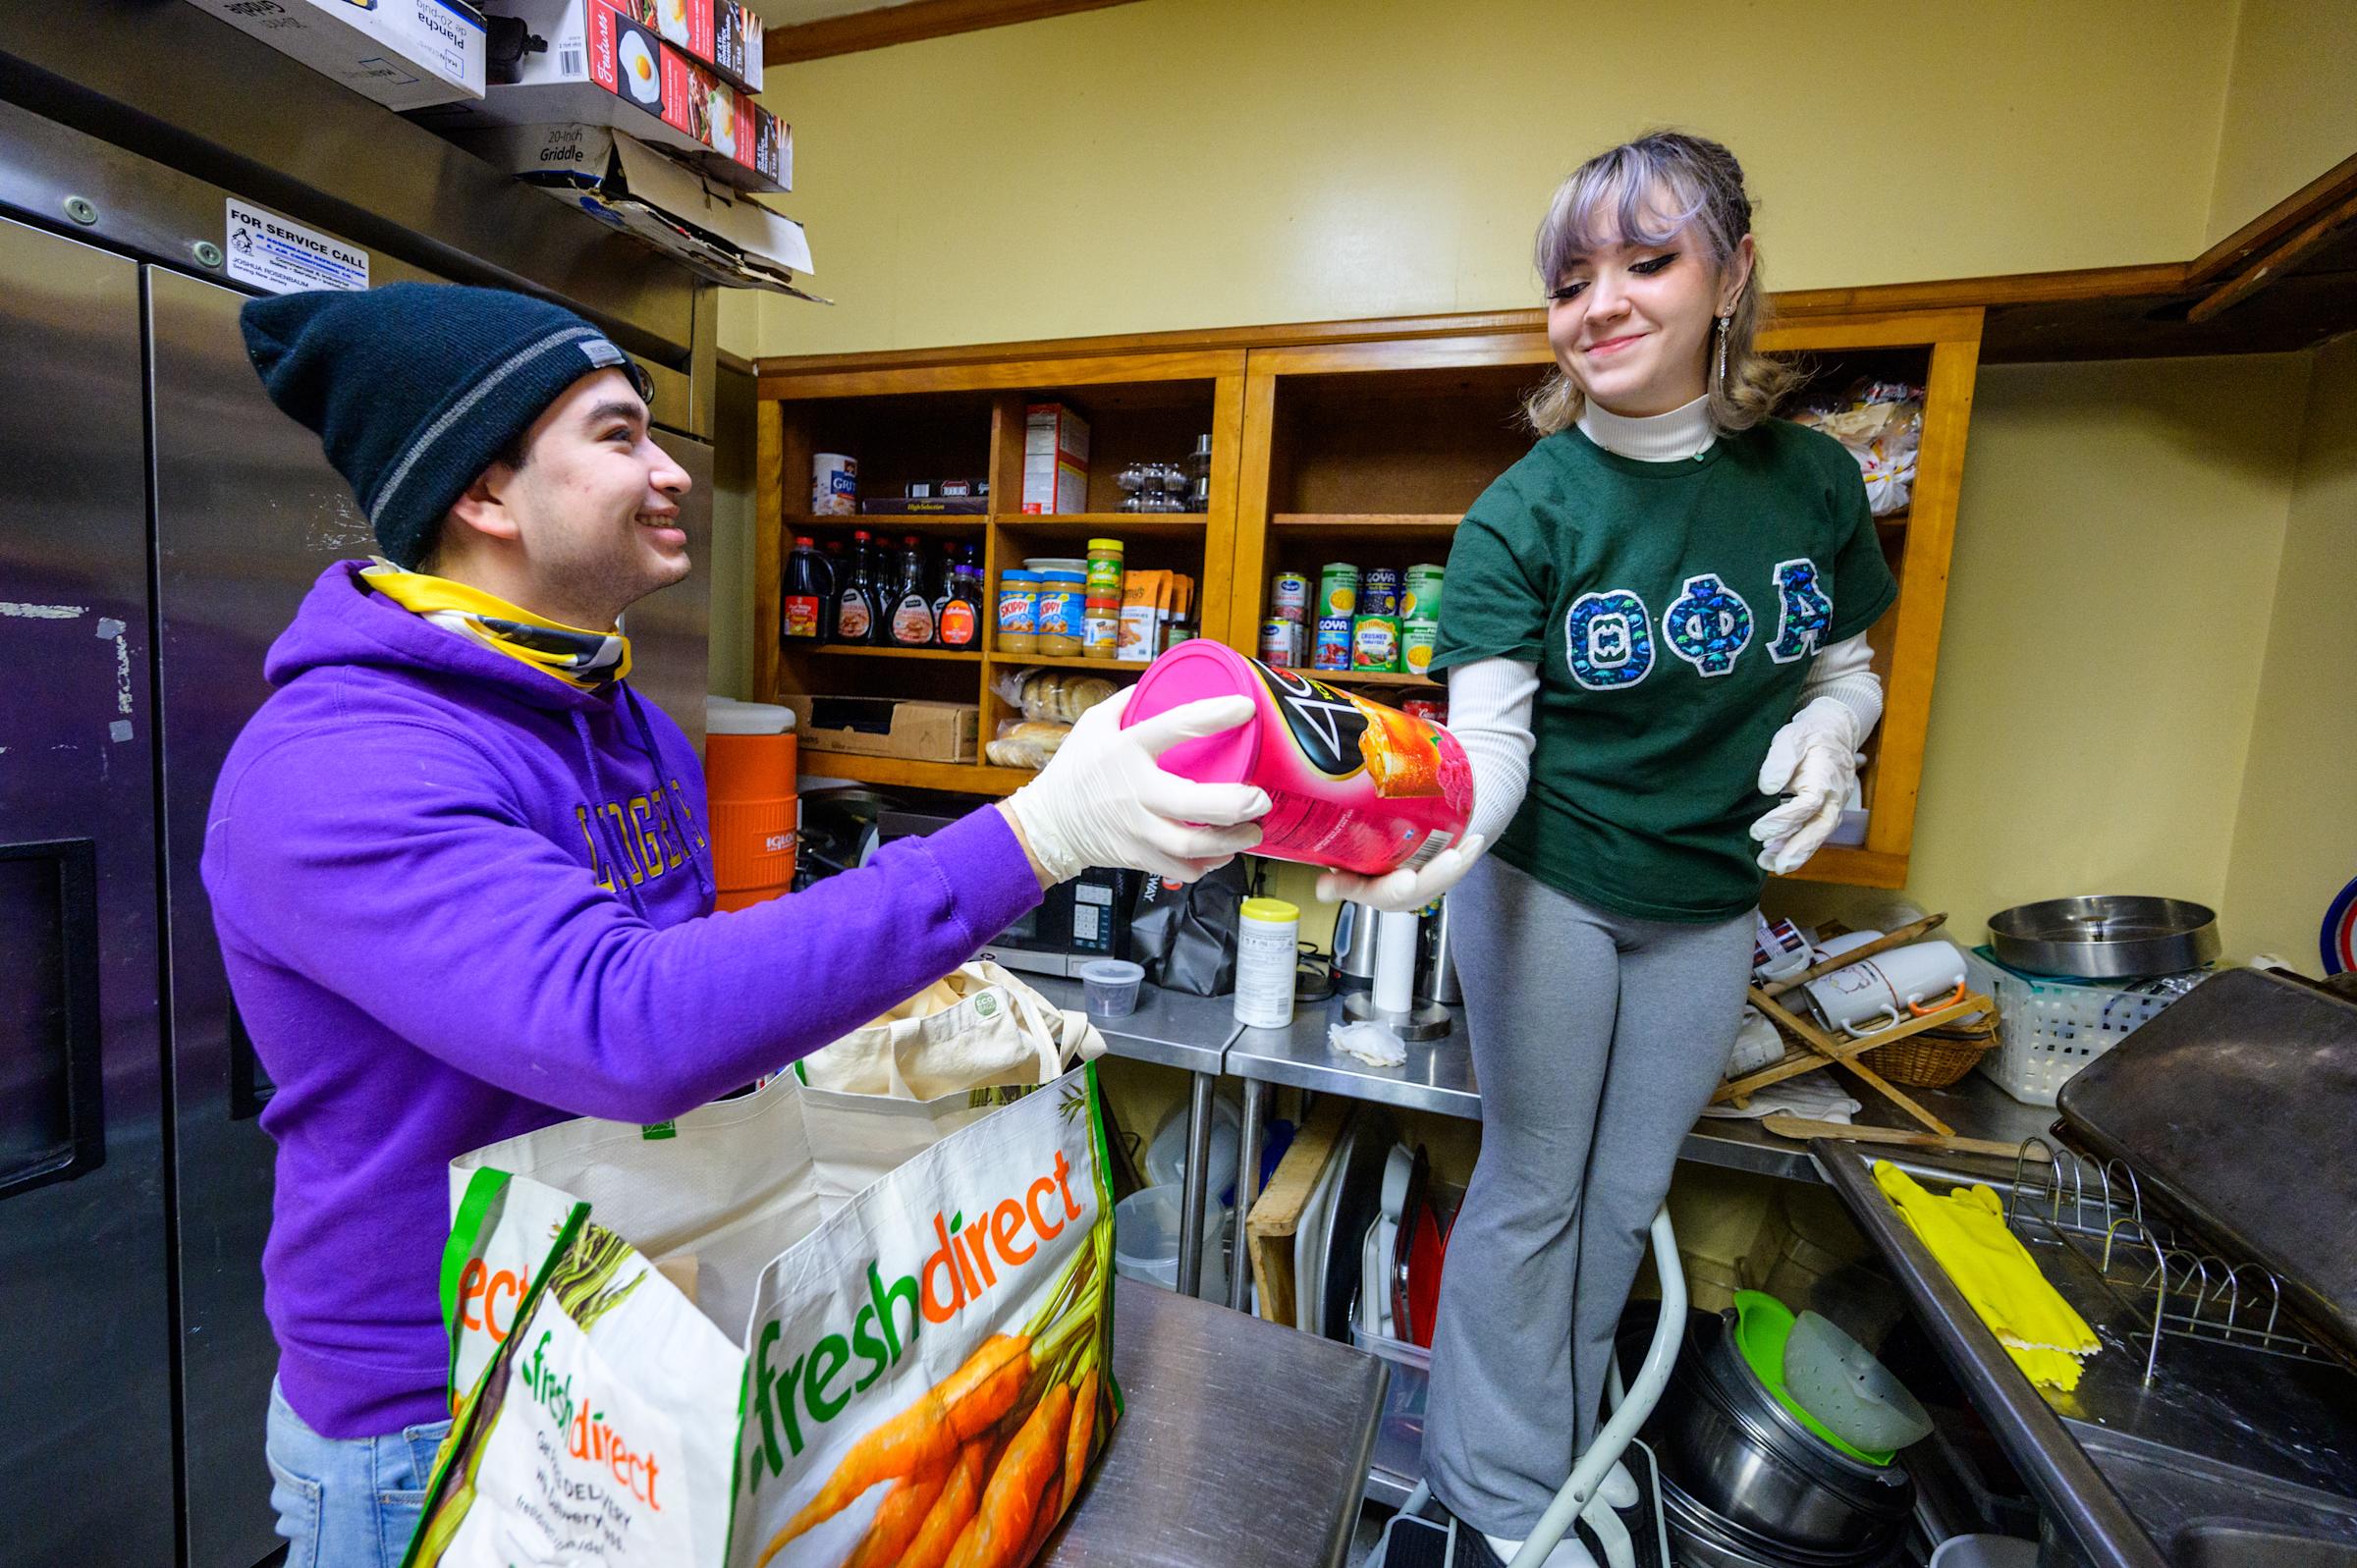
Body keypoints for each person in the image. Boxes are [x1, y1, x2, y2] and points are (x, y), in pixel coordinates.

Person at [209, 282, 1269, 1568]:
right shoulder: (338, 762)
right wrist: (1031, 837)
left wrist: (882, 1033)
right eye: (617, 435)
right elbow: (627, 1020)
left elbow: (700, 1001)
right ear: (484, 496)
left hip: (625, 1362)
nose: (668, 472)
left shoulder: (627, 723)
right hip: (437, 1432)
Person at [1319, 133, 1895, 1566]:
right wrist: (1441, 852)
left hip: (1708, 901)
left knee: (1623, 1201)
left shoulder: (1810, 484)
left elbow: (1847, 667)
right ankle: (1495, 1489)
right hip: (1551, 884)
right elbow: (1495, 748)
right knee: (1536, 1183)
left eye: (1650, 262)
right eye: (1573, 279)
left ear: (1732, 276)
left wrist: (1834, 737)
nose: (1605, 304)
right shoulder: (1528, 513)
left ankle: (1559, 1447)